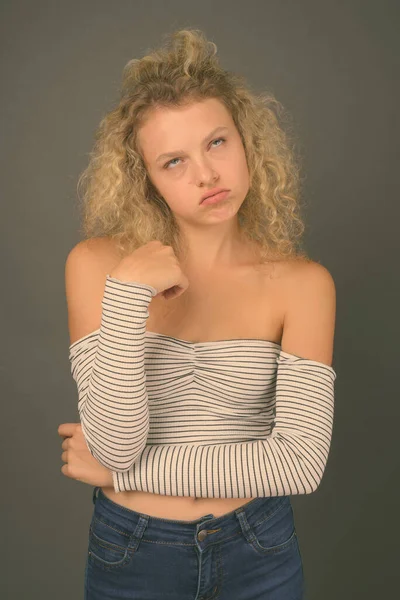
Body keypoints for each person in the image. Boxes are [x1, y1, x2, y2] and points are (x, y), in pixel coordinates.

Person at [60, 28, 336, 599]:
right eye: (173, 161)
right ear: (147, 180)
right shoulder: (96, 266)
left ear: (247, 142)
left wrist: (124, 475)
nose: (206, 175)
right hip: (132, 550)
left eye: (217, 143)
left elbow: (300, 465)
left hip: (259, 548)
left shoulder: (304, 285)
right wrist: (128, 294)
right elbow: (115, 443)